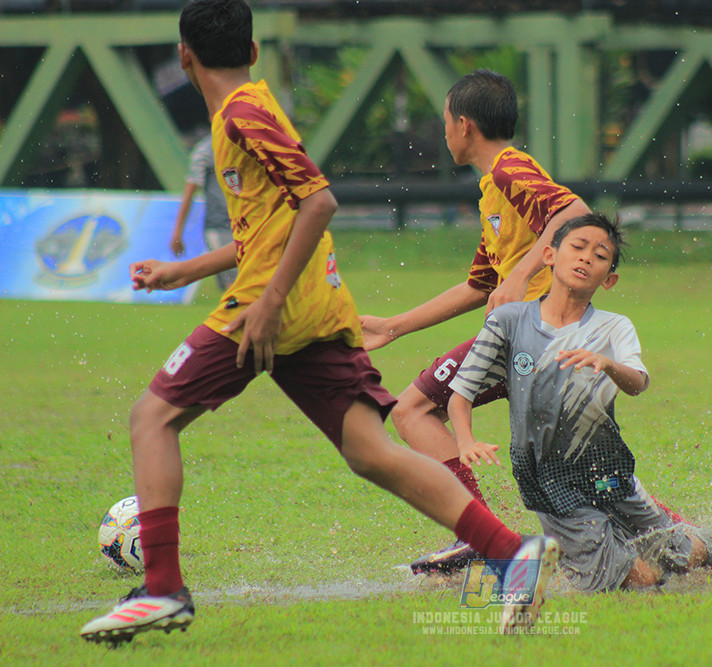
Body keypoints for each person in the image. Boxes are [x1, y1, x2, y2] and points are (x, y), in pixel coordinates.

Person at [79, 0, 557, 644]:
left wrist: (271, 301)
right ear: (251, 52)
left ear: (184, 55)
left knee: (152, 417)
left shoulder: (242, 112)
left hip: (270, 308)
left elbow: (317, 200)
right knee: (372, 452)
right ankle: (509, 553)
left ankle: (163, 589)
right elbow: (270, 224)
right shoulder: (243, 113)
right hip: (312, 307)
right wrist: (186, 271)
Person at [448, 212, 712, 593]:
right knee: (639, 582)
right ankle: (583, 554)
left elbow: (639, 382)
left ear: (609, 279)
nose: (585, 258)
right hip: (546, 479)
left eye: (599, 256)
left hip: (606, 465)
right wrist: (465, 441)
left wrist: (608, 364)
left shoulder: (614, 327)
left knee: (680, 554)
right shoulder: (507, 320)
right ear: (549, 255)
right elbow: (461, 392)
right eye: (577, 247)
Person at [360, 69, 595, 573]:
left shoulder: (510, 169)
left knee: (412, 410)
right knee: (582, 477)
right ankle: (694, 537)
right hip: (535, 338)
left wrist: (525, 274)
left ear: (463, 125)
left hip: (534, 334)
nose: (444, 132)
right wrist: (394, 326)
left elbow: (575, 211)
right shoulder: (494, 190)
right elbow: (478, 286)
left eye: (445, 121)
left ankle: (482, 535)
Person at [169, 132, 237, 291]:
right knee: (234, 287)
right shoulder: (205, 150)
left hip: (247, 224)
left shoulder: (246, 143)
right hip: (220, 226)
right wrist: (177, 232)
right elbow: (189, 192)